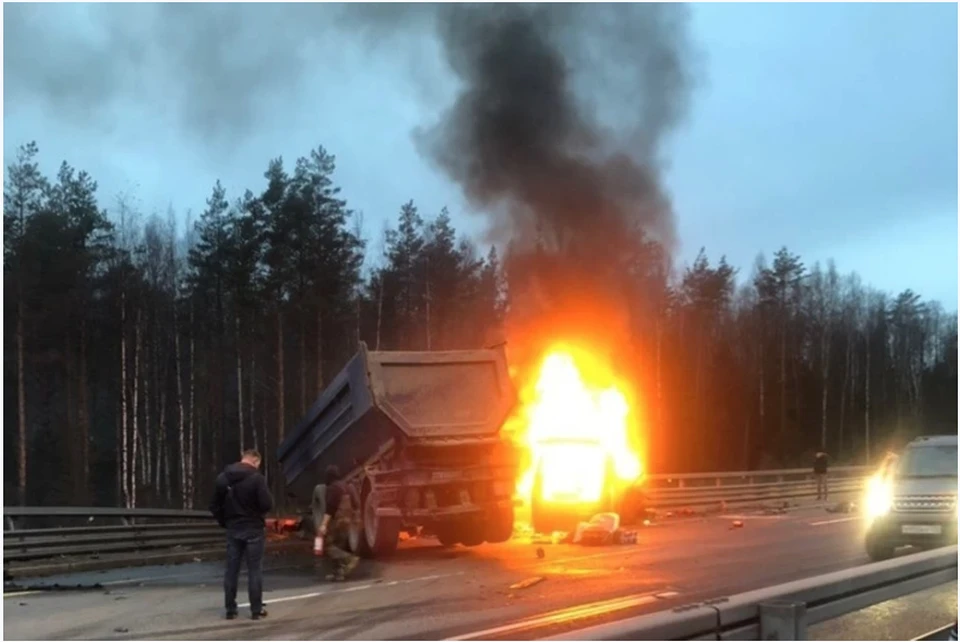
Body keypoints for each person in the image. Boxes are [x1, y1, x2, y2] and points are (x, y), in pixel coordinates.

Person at [209, 449, 273, 620]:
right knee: (254, 570)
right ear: (256, 461)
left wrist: (225, 522)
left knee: (231, 570)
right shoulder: (257, 479)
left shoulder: (223, 478)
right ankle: (256, 610)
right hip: (253, 528)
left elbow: (214, 506)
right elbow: (267, 504)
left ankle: (230, 609)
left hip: (233, 528)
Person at [315, 465, 360, 581]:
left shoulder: (333, 488)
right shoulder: (348, 486)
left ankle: (350, 559)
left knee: (329, 546)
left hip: (338, 521)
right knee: (339, 546)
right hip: (348, 522)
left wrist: (323, 525)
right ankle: (338, 574)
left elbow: (330, 508)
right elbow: (356, 504)